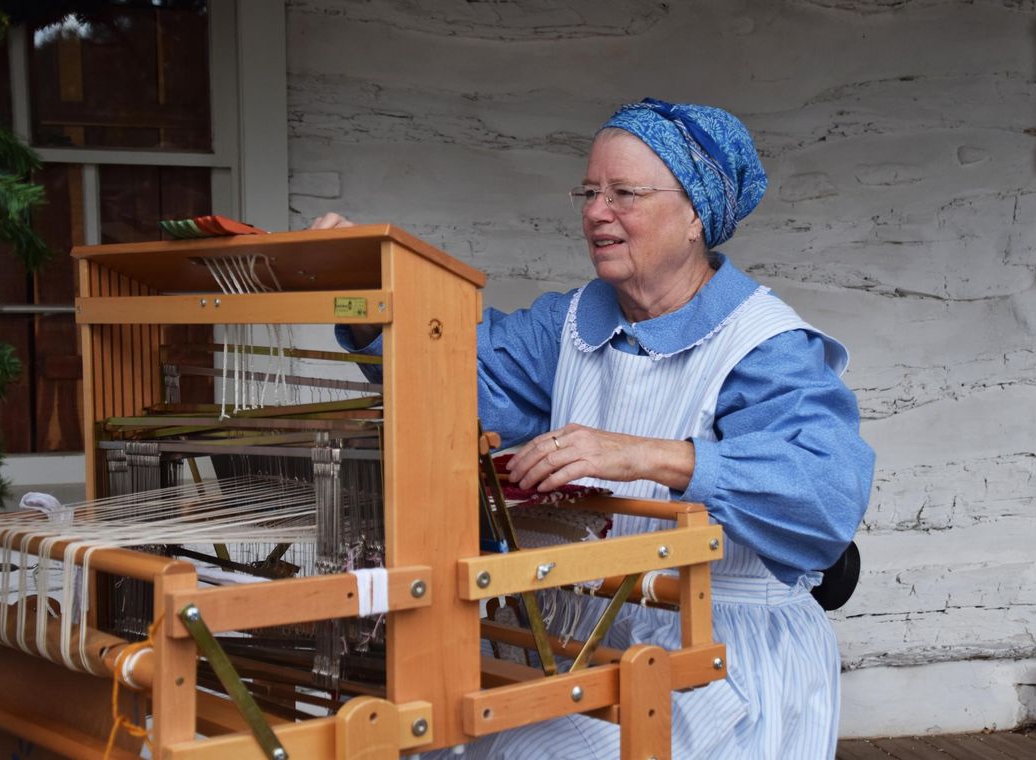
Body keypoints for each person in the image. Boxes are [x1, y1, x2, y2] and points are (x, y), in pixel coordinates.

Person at [314, 97, 875, 759]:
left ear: (695, 213)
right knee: (441, 738)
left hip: (720, 649)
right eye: (589, 190)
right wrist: (367, 301)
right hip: (588, 631)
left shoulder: (763, 346)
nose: (595, 212)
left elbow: (824, 495)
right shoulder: (576, 322)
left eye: (624, 193)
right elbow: (463, 376)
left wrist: (645, 455)